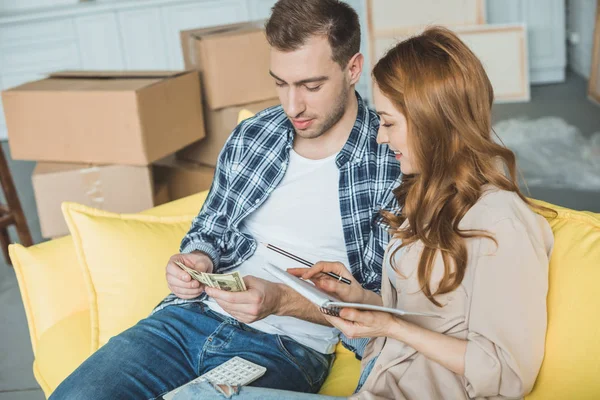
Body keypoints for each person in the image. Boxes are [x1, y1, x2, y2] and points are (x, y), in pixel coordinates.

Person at [175, 26, 555, 400]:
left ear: (433, 124)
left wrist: (390, 325)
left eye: (389, 123)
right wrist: (356, 296)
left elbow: (505, 374)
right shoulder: (427, 203)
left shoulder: (501, 220)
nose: (379, 136)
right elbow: (417, 315)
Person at [49, 1, 401, 399]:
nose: (292, 106)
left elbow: (382, 304)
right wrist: (196, 260)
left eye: (311, 86)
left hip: (285, 348)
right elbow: (209, 228)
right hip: (187, 320)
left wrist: (282, 301)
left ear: (352, 69)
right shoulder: (253, 136)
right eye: (280, 83)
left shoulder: (390, 160)